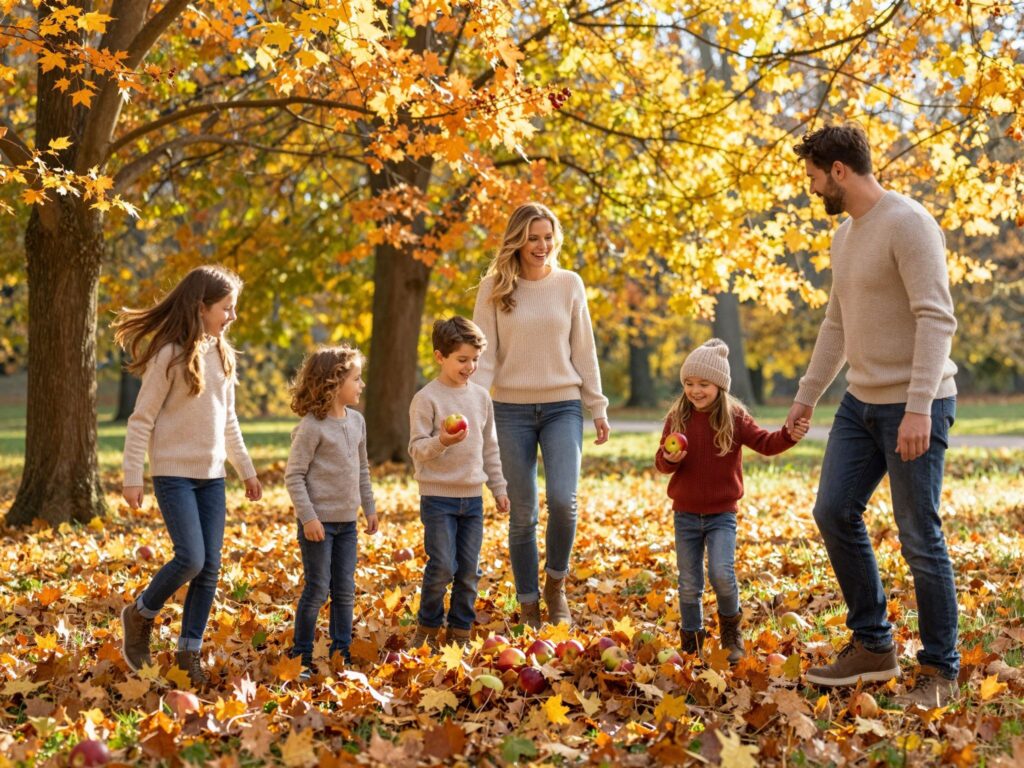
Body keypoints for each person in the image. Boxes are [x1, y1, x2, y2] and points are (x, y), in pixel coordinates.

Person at [787, 123, 960, 708]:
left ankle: (940, 667)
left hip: (917, 404)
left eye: (813, 176)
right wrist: (808, 395)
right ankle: (873, 645)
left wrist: (918, 408)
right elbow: (837, 324)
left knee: (919, 536)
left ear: (838, 170)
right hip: (860, 404)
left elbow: (936, 318)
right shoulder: (845, 237)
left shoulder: (909, 223)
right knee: (833, 510)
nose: (811, 187)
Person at [115, 265, 262, 686]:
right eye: (226, 308)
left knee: (211, 566)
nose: (232, 316)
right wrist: (132, 476)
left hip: (212, 477)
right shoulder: (169, 355)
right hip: (173, 474)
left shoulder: (222, 354)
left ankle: (188, 654)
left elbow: (229, 421)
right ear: (201, 307)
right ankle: (140, 613)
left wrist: (246, 471)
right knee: (191, 558)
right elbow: (141, 419)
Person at [472, 202, 610, 628]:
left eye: (548, 237)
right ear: (518, 240)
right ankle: (529, 603)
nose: (541, 245)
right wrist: (474, 409)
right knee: (523, 511)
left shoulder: (570, 284)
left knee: (564, 502)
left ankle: (556, 583)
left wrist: (597, 406)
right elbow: (485, 357)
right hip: (509, 410)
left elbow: (583, 350)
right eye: (533, 237)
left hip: (562, 406)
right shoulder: (494, 287)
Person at [656, 339, 808, 662]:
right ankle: (691, 642)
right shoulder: (677, 419)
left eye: (703, 384)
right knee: (688, 583)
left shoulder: (734, 417)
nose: (695, 391)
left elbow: (765, 443)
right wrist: (672, 457)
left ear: (720, 386)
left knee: (722, 574)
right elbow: (661, 462)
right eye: (689, 383)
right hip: (685, 515)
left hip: (721, 514)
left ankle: (730, 631)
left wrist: (789, 436)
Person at [408, 317, 508, 650]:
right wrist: (443, 442)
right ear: (440, 357)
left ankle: (460, 632)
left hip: (472, 498)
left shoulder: (481, 398)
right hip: (438, 497)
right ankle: (428, 627)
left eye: (475, 359)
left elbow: (489, 447)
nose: (470, 366)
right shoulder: (427, 399)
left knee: (469, 570)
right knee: (442, 566)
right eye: (462, 359)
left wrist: (499, 487)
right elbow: (417, 449)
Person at [285, 346, 378, 679]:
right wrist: (308, 517)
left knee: (344, 589)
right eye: (356, 378)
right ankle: (301, 656)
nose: (361, 384)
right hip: (318, 526)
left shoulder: (358, 421)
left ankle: (341, 653)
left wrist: (369, 507)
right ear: (333, 383)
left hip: (347, 525)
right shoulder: (313, 427)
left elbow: (362, 470)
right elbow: (293, 475)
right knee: (317, 589)